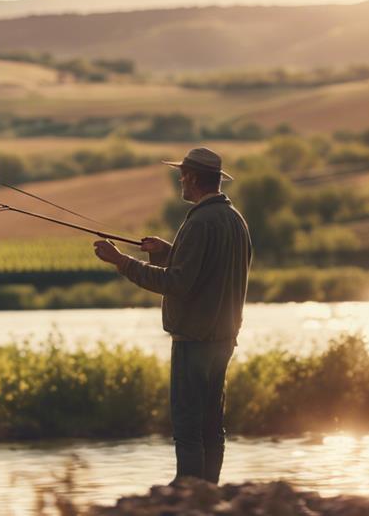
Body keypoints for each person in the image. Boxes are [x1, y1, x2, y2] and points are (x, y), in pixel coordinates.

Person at [92, 147, 252, 485]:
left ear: (193, 178)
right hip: (223, 339)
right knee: (212, 424)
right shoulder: (235, 220)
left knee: (188, 426)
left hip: (194, 340)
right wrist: (166, 252)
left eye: (182, 175)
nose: (180, 179)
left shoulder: (200, 222)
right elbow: (205, 272)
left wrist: (120, 261)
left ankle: (188, 491)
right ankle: (208, 492)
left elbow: (177, 284)